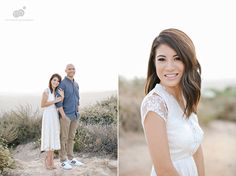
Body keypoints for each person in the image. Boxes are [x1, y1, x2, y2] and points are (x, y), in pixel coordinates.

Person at [140, 28, 205, 176]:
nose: (169, 66)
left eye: (177, 58)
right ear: (154, 62)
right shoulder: (155, 103)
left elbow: (196, 149)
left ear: (188, 61)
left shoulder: (185, 96)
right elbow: (164, 169)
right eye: (162, 59)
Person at [55, 64, 84, 170]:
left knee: (71, 138)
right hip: (66, 115)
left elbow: (77, 99)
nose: (71, 70)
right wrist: (63, 115)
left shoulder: (76, 84)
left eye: (73, 69)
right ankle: (63, 161)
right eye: (69, 69)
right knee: (63, 138)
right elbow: (58, 102)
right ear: (66, 70)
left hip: (75, 115)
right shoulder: (62, 84)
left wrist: (78, 111)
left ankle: (71, 158)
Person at [41, 73, 64, 170]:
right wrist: (55, 101)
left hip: (54, 116)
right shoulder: (46, 91)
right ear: (51, 80)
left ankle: (51, 161)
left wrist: (62, 97)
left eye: (58, 81)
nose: (56, 82)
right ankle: (47, 161)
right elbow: (43, 104)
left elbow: (59, 104)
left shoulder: (57, 93)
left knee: (54, 137)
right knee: (49, 137)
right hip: (48, 116)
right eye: (54, 80)